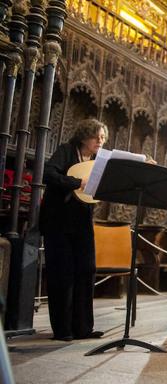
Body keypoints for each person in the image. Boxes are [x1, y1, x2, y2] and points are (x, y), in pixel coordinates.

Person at [40, 118, 108, 341]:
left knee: (86, 271)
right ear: (84, 135)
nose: (100, 140)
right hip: (58, 221)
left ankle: (83, 328)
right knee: (63, 274)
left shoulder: (98, 161)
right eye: (96, 136)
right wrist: (76, 183)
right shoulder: (66, 151)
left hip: (82, 221)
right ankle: (63, 330)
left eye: (103, 137)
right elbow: (48, 175)